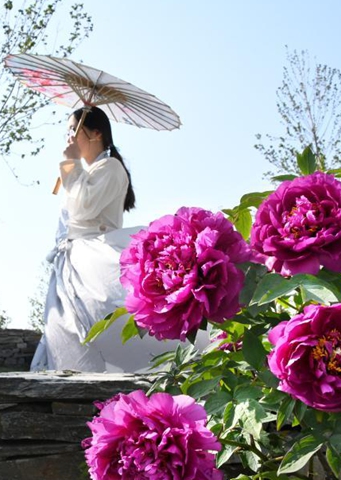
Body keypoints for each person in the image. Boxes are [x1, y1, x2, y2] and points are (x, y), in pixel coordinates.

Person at [30, 106, 209, 373]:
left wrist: (70, 165)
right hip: (71, 259)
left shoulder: (111, 167)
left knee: (107, 316)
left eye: (74, 130)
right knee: (66, 330)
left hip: (92, 254)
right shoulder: (88, 170)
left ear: (95, 133)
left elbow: (84, 208)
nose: (69, 137)